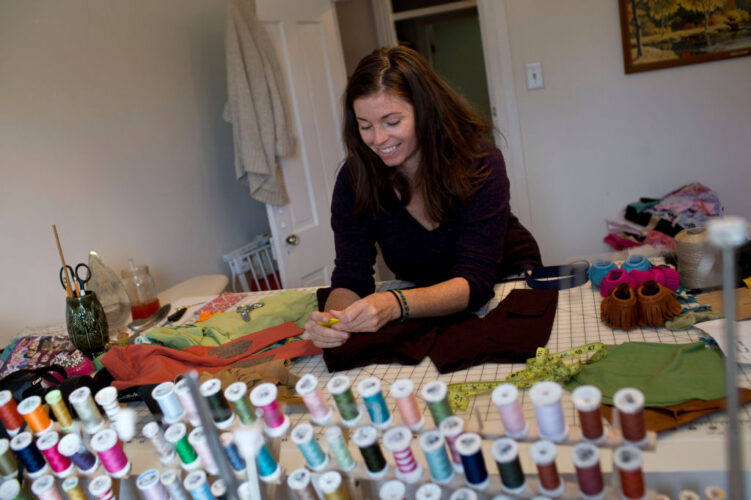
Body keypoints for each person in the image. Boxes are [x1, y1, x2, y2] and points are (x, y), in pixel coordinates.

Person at [305, 46, 541, 349]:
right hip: (428, 299)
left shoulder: (479, 162)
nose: (378, 139)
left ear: (426, 111)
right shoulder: (355, 179)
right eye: (365, 126)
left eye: (392, 122)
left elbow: (476, 280)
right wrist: (333, 318)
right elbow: (351, 274)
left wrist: (395, 303)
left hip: (509, 281)